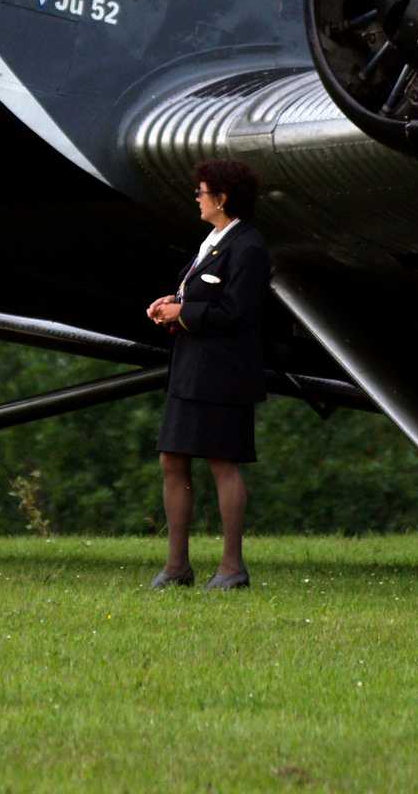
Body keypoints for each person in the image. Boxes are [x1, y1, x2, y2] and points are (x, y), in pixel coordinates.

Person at [145, 159, 270, 591]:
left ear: (222, 198)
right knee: (172, 459)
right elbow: (199, 294)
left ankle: (232, 567)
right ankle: (177, 565)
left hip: (223, 373)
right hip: (191, 369)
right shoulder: (213, 240)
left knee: (222, 462)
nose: (197, 200)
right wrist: (172, 304)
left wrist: (187, 313)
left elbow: (238, 311)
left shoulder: (249, 247)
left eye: (202, 193)